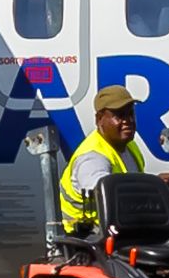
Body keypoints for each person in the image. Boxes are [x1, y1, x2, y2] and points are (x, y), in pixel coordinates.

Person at [52, 80, 160, 246]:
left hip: (118, 228)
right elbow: (108, 196)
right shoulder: (92, 158)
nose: (128, 120)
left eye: (131, 114)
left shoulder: (129, 147)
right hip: (87, 238)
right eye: (119, 115)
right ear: (100, 119)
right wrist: (153, 190)